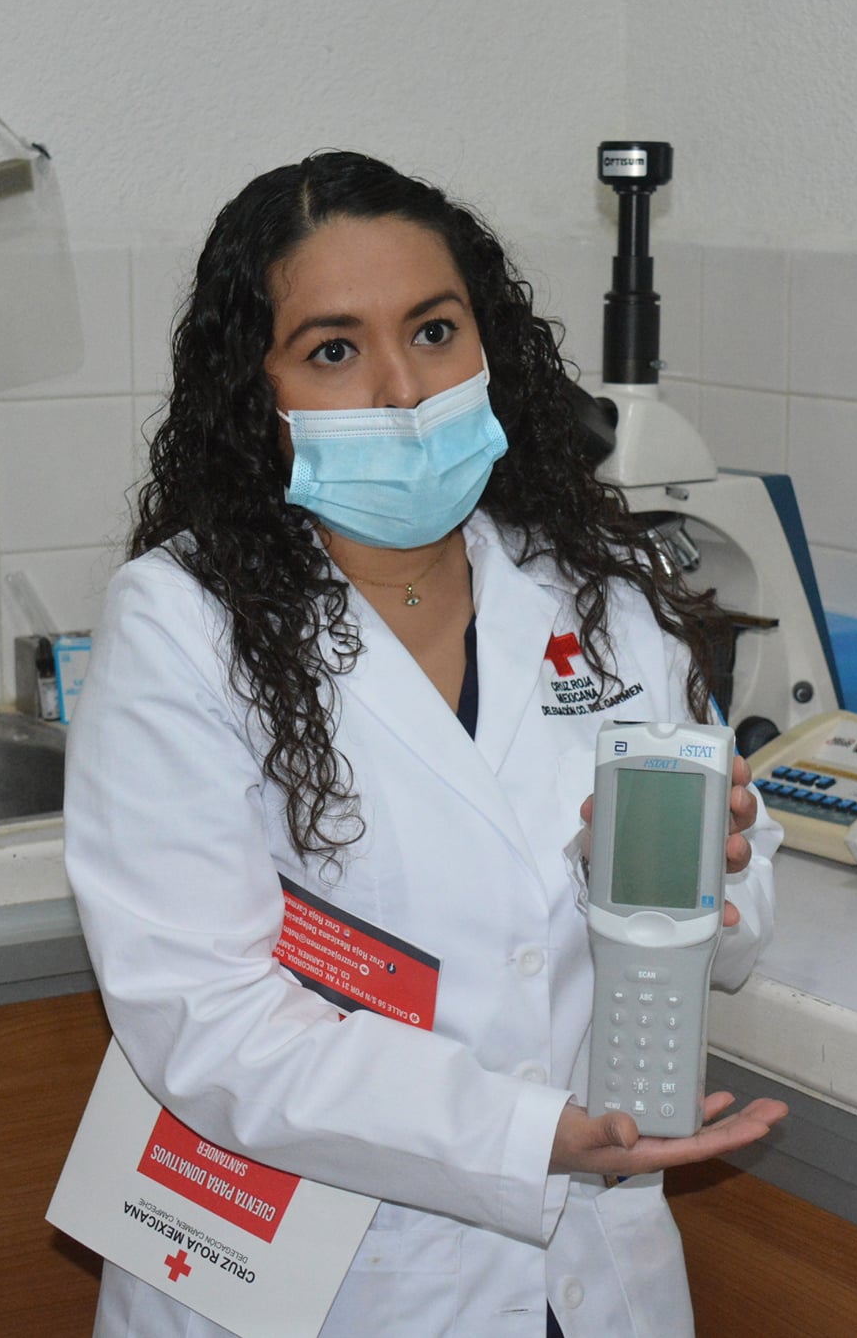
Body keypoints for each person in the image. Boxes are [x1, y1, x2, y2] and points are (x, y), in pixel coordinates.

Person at [65, 150, 787, 1338]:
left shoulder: (600, 598)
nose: (402, 389)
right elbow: (204, 1017)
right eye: (333, 351)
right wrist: (521, 1135)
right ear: (256, 393)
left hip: (587, 1274)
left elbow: (733, 927)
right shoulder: (181, 623)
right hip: (336, 1285)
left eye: (435, 331)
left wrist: (702, 872)